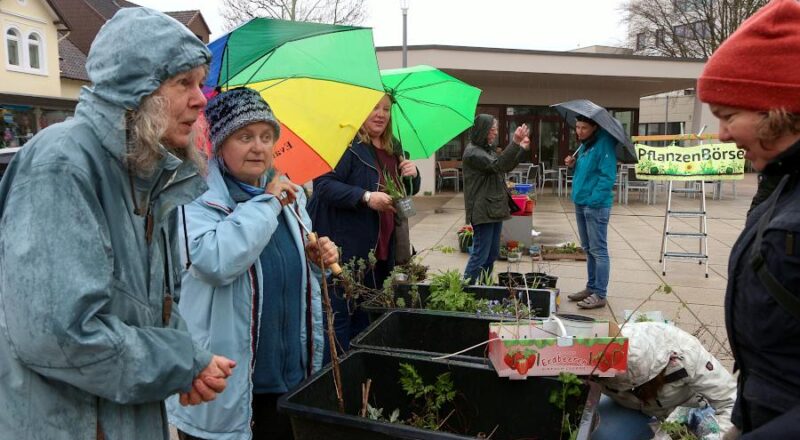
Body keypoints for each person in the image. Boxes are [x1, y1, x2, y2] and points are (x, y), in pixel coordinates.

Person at [0, 8, 235, 440]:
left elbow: (147, 309)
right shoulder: (63, 164)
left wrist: (190, 362)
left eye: (199, 83)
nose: (201, 99)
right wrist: (182, 360)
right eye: (184, 82)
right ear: (137, 89)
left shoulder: (148, 171)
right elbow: (60, 335)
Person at [166, 88, 338, 439]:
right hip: (228, 385)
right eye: (244, 136)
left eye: (266, 136)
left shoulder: (285, 193)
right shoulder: (194, 197)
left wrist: (316, 261)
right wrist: (268, 204)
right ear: (219, 143)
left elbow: (290, 269)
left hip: (289, 378)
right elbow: (216, 261)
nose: (258, 147)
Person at [696, 1, 800, 437]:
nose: (721, 134)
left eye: (728, 116)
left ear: (776, 108)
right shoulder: (781, 183)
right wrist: (741, 421)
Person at [307, 94, 421, 356]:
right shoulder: (347, 146)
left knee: (367, 319)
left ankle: (360, 374)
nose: (381, 114)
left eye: (386, 109)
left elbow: (406, 194)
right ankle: (336, 378)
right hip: (347, 251)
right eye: (374, 108)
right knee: (341, 319)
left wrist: (413, 175)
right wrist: (366, 197)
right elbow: (323, 186)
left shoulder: (394, 147)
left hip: (381, 254)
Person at [594, 322, 737, 440]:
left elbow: (731, 402)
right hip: (631, 409)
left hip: (684, 411)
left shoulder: (686, 353)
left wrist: (713, 438)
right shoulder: (594, 355)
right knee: (600, 433)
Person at [461, 115, 531, 283]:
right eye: (492, 129)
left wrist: (520, 148)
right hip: (483, 209)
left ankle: (484, 287)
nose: (495, 133)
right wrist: (514, 142)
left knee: (491, 254)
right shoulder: (473, 152)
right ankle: (466, 290)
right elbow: (498, 165)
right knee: (480, 254)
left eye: (496, 129)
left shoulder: (486, 149)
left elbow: (504, 167)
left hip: (493, 208)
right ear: (482, 130)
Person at [563, 115, 618, 309]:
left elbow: (607, 176)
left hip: (595, 205)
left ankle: (600, 294)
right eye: (577, 127)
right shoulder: (586, 145)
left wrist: (593, 201)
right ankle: (591, 287)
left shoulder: (604, 144)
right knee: (588, 249)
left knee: (599, 250)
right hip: (581, 201)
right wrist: (573, 165)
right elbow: (587, 172)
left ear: (594, 127)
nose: (579, 132)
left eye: (584, 128)